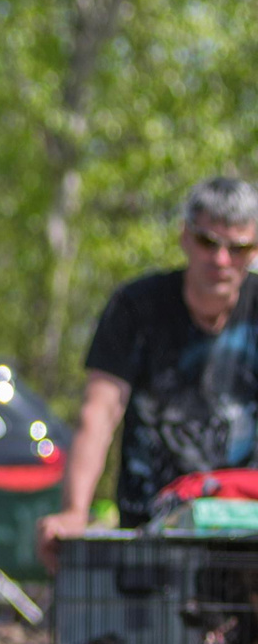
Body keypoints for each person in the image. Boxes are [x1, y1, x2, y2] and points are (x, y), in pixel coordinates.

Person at [39, 176, 258, 563]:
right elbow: (100, 412)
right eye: (208, 242)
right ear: (185, 236)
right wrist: (75, 511)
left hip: (247, 536)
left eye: (237, 248)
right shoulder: (136, 307)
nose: (221, 260)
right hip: (150, 534)